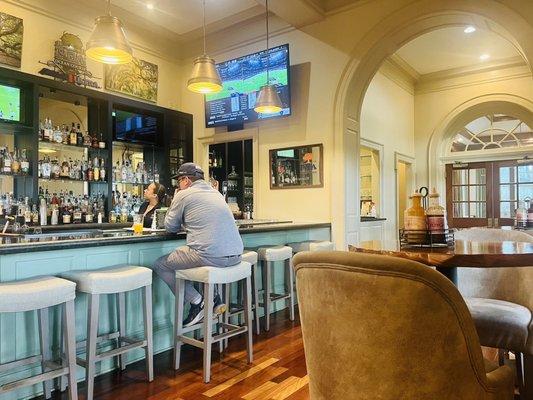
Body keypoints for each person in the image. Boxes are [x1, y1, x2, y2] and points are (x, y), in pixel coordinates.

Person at [152, 162, 243, 327]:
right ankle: (214, 299)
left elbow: (170, 226)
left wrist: (176, 199)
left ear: (186, 180)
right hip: (236, 256)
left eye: (179, 180)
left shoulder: (183, 194)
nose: (178, 184)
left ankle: (197, 301)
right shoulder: (216, 194)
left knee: (161, 264)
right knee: (200, 252)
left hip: (212, 257)